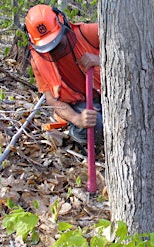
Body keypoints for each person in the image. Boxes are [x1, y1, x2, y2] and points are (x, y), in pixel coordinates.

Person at [25, 4, 103, 145]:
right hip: (78, 104)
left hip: (105, 94)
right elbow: (52, 100)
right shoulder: (37, 61)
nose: (55, 49)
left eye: (57, 41)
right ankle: (73, 129)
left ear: (63, 23)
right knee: (96, 126)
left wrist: (101, 60)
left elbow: (127, 49)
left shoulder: (88, 33)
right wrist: (77, 119)